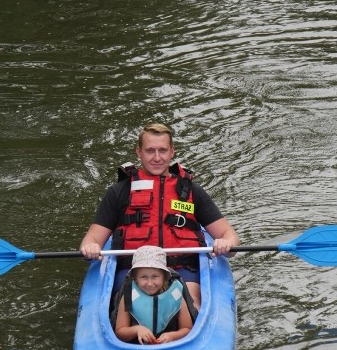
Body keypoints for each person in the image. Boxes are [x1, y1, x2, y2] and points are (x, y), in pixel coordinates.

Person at [79, 122, 240, 310]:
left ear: (172, 152)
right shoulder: (119, 192)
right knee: (126, 308)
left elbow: (229, 235)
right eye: (150, 151)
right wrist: (90, 248)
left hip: (181, 269)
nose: (157, 158)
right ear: (139, 152)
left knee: (190, 305)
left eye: (163, 150)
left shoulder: (191, 191)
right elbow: (91, 239)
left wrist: (226, 244)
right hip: (134, 270)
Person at [113, 246, 196, 345]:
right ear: (135, 278)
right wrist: (137, 330)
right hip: (137, 348)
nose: (150, 283)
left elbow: (187, 329)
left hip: (170, 347)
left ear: (164, 276)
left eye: (155, 277)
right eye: (143, 277)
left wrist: (172, 336)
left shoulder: (175, 294)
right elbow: (120, 332)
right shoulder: (129, 294)